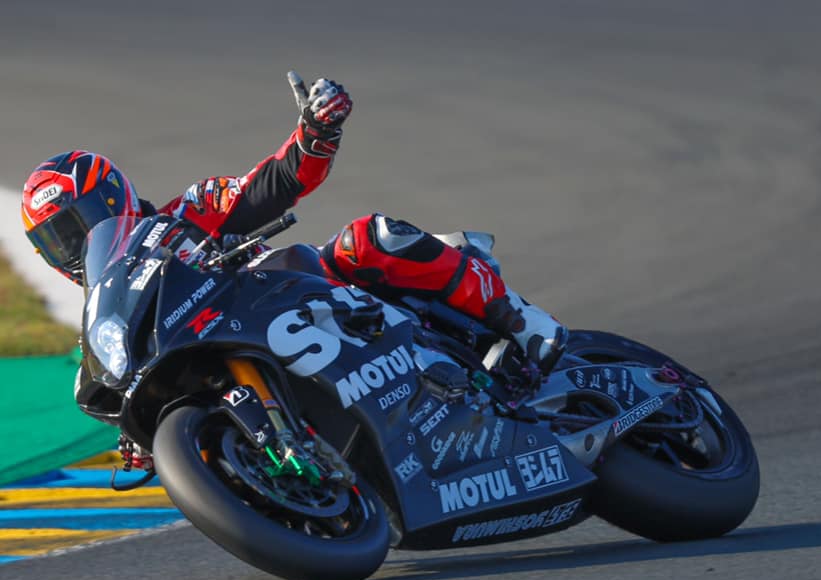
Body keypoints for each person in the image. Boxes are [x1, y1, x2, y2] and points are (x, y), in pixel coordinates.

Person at [20, 75, 568, 379]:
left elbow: (272, 184)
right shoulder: (108, 317)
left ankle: (522, 320)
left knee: (369, 237)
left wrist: (315, 132)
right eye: (54, 241)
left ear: (110, 198)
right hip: (245, 358)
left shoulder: (187, 215)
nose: (72, 247)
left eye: (75, 227)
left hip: (302, 302)